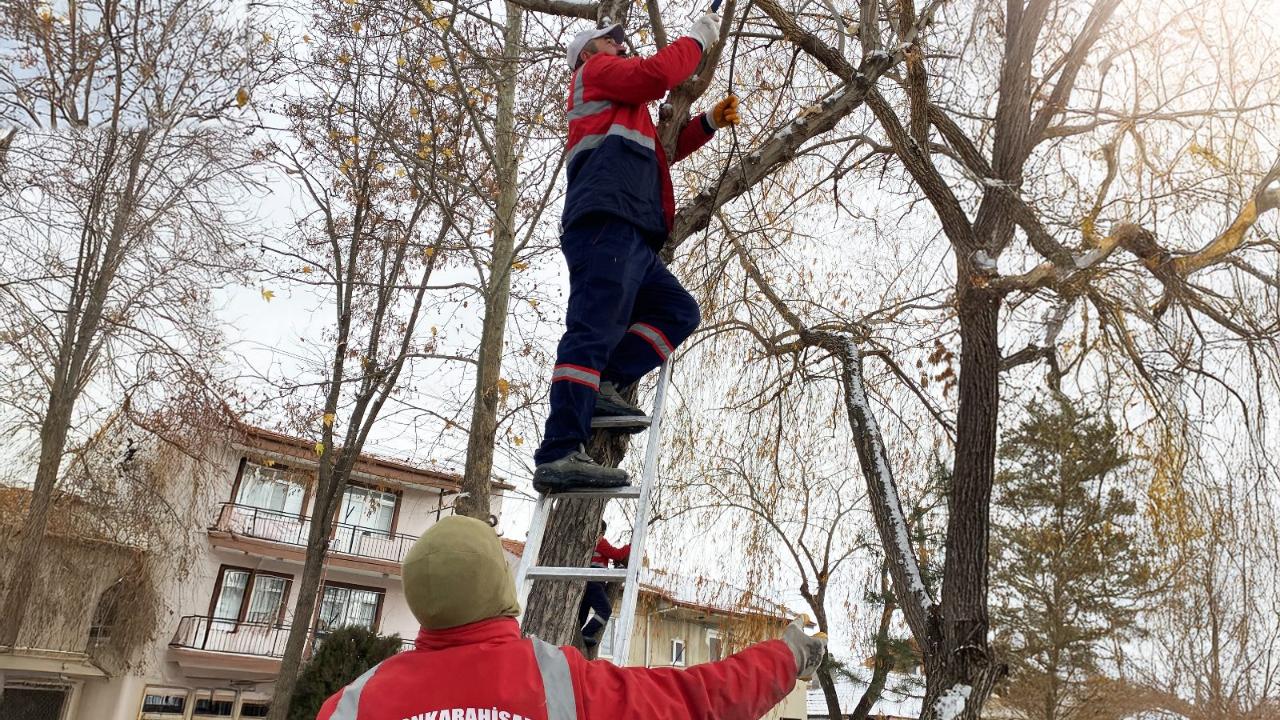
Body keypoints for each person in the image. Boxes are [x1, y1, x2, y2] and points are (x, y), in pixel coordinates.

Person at [317, 515, 827, 720]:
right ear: (500, 584)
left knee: (597, 608)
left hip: (592, 586)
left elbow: (615, 551)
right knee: (597, 609)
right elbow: (698, 698)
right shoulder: (561, 679)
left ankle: (592, 632)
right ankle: (591, 635)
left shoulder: (350, 705)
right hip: (588, 595)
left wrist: (628, 551)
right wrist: (785, 657)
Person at [532, 14, 742, 494]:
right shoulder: (593, 72)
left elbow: (658, 157)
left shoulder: (622, 109)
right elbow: (657, 74)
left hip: (632, 231)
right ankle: (559, 451)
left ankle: (604, 384)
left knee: (678, 311)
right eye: (612, 41)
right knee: (592, 328)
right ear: (588, 54)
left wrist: (707, 123)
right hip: (606, 220)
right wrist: (698, 39)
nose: (622, 46)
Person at [577, 520, 629, 649]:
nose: (602, 536)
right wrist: (630, 547)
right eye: (601, 533)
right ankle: (587, 633)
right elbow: (617, 554)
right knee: (605, 610)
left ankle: (577, 637)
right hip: (594, 583)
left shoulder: (586, 542)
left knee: (582, 615)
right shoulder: (600, 542)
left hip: (585, 583)